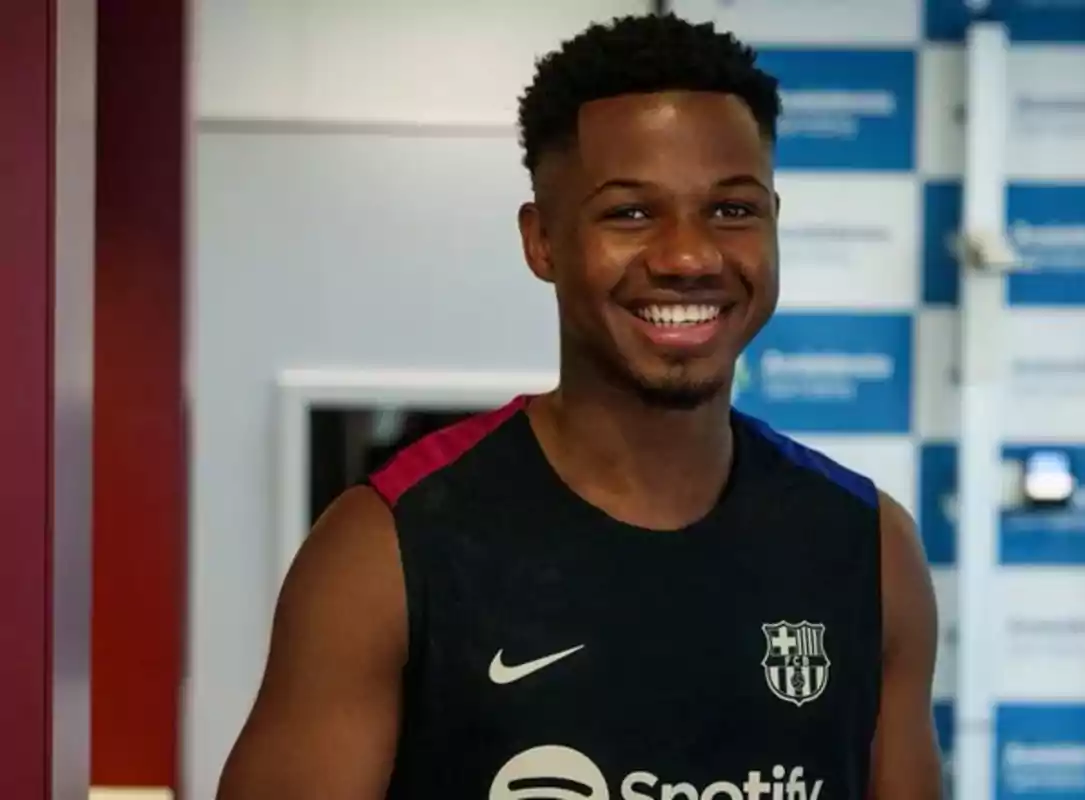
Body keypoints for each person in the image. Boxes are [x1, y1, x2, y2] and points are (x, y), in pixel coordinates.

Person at [216, 12, 943, 800]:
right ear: (543, 242)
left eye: (732, 210)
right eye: (630, 213)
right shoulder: (386, 550)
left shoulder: (869, 547)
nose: (689, 256)